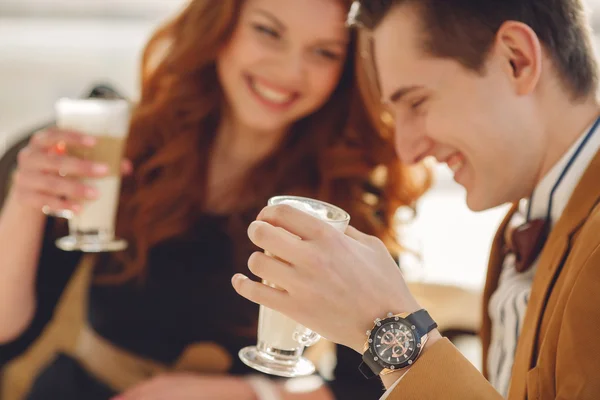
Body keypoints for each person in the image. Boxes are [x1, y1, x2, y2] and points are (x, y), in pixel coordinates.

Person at [0, 0, 430, 399]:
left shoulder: (345, 197)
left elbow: (371, 382)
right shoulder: (124, 146)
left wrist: (243, 394)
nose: (288, 70)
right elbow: (6, 334)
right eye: (268, 31)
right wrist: (23, 203)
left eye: (324, 53)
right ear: (220, 25)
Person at [232, 0, 600, 399]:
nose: (407, 150)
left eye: (417, 102)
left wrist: (388, 329)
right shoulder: (524, 225)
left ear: (517, 60)